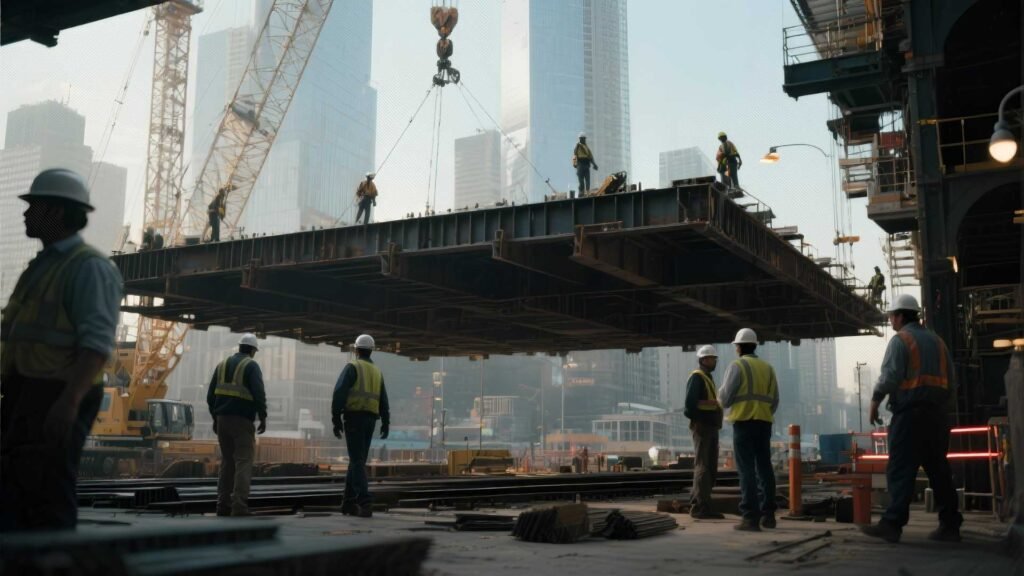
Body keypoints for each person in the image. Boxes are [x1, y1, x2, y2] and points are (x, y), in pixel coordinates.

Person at [0, 168, 123, 531]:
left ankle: (57, 565)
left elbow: (97, 343)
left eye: (33, 206)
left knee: (48, 490)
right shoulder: (41, 267)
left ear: (56, 212)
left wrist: (69, 402)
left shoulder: (89, 268)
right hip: (26, 392)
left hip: (57, 393)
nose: (25, 213)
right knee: (15, 488)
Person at [861, 294, 962, 543]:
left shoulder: (901, 341)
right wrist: (942, 412)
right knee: (939, 471)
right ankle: (950, 526)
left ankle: (892, 524)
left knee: (900, 469)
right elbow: (952, 383)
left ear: (901, 316)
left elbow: (890, 377)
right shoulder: (938, 342)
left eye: (892, 316)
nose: (890, 321)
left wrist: (875, 401)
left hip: (910, 416)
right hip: (937, 416)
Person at [718, 328, 780, 531]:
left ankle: (750, 518)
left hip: (743, 423)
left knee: (746, 470)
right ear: (755, 345)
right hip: (764, 422)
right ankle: (769, 515)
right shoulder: (768, 368)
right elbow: (775, 401)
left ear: (738, 347)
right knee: (764, 468)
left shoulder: (737, 366)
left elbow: (725, 399)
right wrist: (763, 412)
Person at [207, 333, 268, 517]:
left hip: (223, 419)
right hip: (242, 421)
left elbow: (210, 396)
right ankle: (239, 506)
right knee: (243, 461)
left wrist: (215, 418)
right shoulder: (251, 365)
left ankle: (222, 505)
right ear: (251, 350)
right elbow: (259, 393)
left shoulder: (222, 365)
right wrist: (263, 417)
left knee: (227, 462)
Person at [331, 334, 391, 517]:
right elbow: (383, 400)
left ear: (356, 350)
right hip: (370, 420)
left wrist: (335, 419)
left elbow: (339, 393)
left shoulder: (353, 367)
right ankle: (348, 503)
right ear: (371, 350)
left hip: (354, 419)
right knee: (357, 460)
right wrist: (386, 422)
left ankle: (365, 502)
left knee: (357, 461)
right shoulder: (376, 371)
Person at [684, 345, 725, 519]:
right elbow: (689, 407)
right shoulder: (697, 377)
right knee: (703, 466)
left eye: (715, 358)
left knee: (709, 466)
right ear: (703, 360)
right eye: (711, 358)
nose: (714, 361)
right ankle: (701, 507)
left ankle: (697, 502)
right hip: (703, 427)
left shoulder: (707, 378)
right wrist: (703, 418)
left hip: (710, 426)